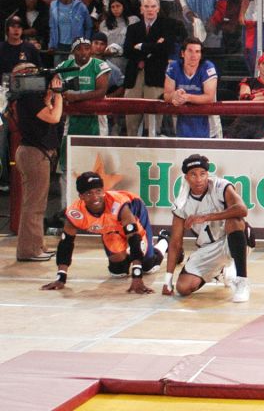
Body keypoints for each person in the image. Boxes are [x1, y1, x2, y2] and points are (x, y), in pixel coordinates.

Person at [41, 171, 167, 294]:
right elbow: (66, 244)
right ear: (81, 196)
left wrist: (137, 276)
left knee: (148, 267)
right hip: (110, 229)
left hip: (134, 217)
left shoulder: (119, 205)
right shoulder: (75, 213)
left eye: (98, 191)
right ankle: (128, 255)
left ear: (104, 191)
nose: (95, 197)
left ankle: (164, 240)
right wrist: (60, 278)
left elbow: (134, 239)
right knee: (118, 272)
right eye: (89, 193)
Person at [161, 154, 252, 302]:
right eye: (193, 174)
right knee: (183, 288)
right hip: (208, 247)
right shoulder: (182, 203)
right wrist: (167, 280)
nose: (198, 179)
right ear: (186, 178)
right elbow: (176, 243)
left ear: (207, 174)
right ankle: (220, 270)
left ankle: (242, 282)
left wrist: (206, 217)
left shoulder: (221, 186)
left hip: (234, 238)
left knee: (234, 221)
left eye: (202, 174)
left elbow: (242, 210)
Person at [11, 65, 63, 261]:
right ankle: (28, 250)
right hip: (34, 154)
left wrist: (49, 96)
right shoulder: (28, 99)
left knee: (36, 203)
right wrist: (58, 95)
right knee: (34, 205)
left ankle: (36, 245)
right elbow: (54, 116)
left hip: (34, 153)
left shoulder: (27, 98)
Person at [122, 0, 183, 137]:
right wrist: (154, 47)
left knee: (154, 123)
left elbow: (166, 48)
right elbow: (127, 51)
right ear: (141, 9)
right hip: (135, 76)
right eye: (147, 6)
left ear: (158, 8)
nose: (150, 10)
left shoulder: (166, 25)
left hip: (155, 77)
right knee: (131, 121)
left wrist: (142, 46)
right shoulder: (133, 28)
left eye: (153, 6)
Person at [54, 37, 111, 137]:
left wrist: (76, 97)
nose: (83, 52)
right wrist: (61, 94)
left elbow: (101, 92)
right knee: (68, 149)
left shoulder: (100, 65)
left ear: (91, 50)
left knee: (96, 151)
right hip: (71, 117)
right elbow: (54, 86)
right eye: (79, 49)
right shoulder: (64, 66)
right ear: (73, 51)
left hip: (95, 116)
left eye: (87, 48)